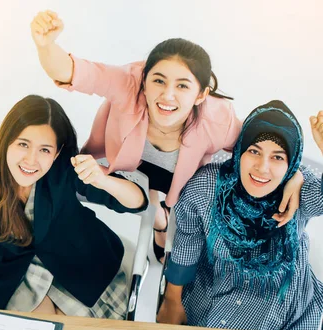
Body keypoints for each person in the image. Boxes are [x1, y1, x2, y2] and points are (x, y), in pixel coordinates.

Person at [29, 10, 304, 262]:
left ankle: (163, 215)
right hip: (129, 162)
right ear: (144, 82)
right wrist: (45, 46)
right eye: (158, 80)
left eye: (182, 86)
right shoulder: (129, 83)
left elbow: (269, 142)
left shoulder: (217, 119)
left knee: (169, 207)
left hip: (176, 175)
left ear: (201, 95)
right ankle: (157, 216)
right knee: (123, 196)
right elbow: (73, 71)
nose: (167, 95)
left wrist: (296, 174)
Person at [0, 94, 147, 330]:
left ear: (57, 152)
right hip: (17, 274)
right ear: (5, 140)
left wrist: (103, 180)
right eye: (23, 144)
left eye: (44, 150)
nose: (31, 160)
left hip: (84, 265)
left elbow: (136, 202)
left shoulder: (63, 169)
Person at [157, 101, 323, 330]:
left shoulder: (297, 193)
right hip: (212, 300)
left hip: (285, 317)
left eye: (277, 157)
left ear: (291, 165)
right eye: (254, 151)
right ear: (239, 150)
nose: (262, 168)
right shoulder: (208, 188)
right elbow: (187, 240)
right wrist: (172, 299)